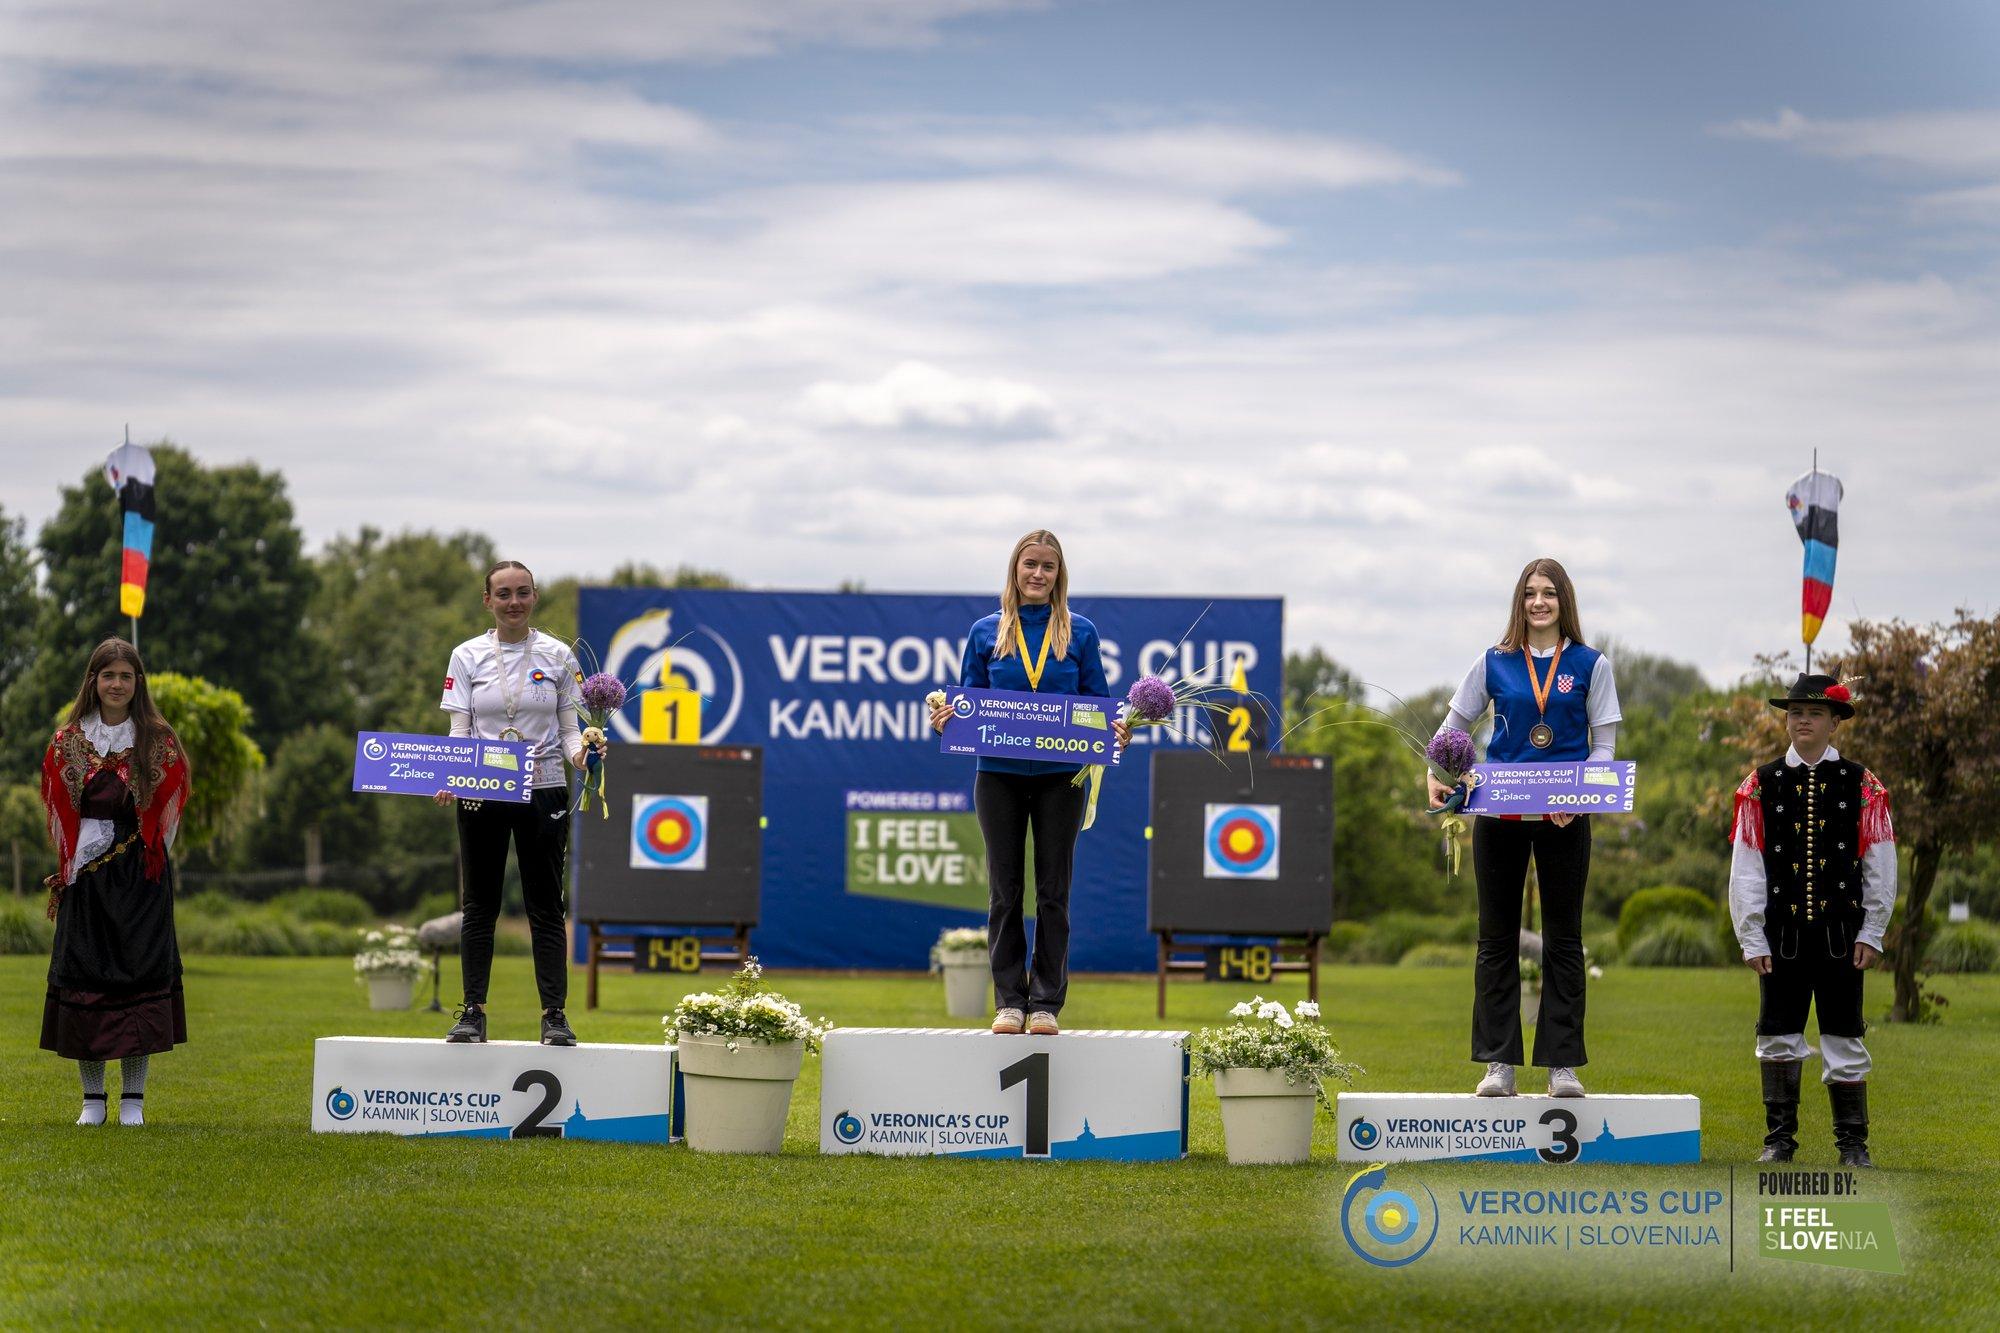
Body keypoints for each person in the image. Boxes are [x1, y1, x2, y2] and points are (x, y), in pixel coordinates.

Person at [1427, 557, 1620, 1098]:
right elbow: (1454, 727)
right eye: (1531, 593)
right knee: (1495, 939)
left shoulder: (1590, 664)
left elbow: (1604, 745)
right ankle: (1498, 1064)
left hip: (1565, 817)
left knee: (1564, 940)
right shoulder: (1494, 661)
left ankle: (1563, 1065)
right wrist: (1435, 773)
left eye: (1550, 594)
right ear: (1520, 601)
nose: (1540, 603)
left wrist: (1580, 798)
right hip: (1498, 813)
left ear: (1565, 602)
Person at [931, 530, 1127, 1036]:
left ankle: (1045, 1004)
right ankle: (1009, 1001)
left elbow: (1097, 704)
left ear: (1059, 575)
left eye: (1048, 567)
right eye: (1030, 564)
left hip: (1062, 780)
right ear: (1014, 570)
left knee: (1053, 893)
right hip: (997, 777)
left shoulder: (1079, 632)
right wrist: (945, 716)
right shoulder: (985, 632)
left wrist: (1117, 727)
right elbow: (969, 704)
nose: (1038, 574)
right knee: (1004, 891)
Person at [1727, 674, 1894, 1167]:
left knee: (1844, 1036)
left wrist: (1873, 929)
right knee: (1777, 1033)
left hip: (1844, 936)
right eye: (1795, 711)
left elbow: (1880, 862)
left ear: (1835, 723)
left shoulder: (1863, 783)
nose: (1802, 719)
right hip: (1781, 939)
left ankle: (1853, 1146)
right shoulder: (1762, 782)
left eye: (1815, 712)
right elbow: (1747, 864)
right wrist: (1751, 934)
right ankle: (1779, 1141)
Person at [436, 560, 602, 1046]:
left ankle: (554, 1016)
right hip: (483, 788)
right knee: (479, 905)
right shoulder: (465, 655)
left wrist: (583, 757)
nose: (514, 602)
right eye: (503, 593)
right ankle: (472, 1013)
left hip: (545, 786)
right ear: (487, 600)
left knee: (546, 907)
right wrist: (451, 774)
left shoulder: (557, 656)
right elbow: (460, 729)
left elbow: (570, 730)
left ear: (535, 597)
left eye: (523, 592)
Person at [39, 638, 191, 1127]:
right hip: (87, 881)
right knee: (87, 983)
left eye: (126, 675)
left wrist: (151, 853)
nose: (117, 684)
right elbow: (60, 808)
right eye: (109, 675)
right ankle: (92, 1101)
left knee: (138, 982)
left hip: (141, 877)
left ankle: (132, 1101)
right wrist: (72, 864)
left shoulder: (156, 738)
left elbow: (171, 802)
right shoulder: (68, 741)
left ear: (137, 682)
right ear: (93, 681)